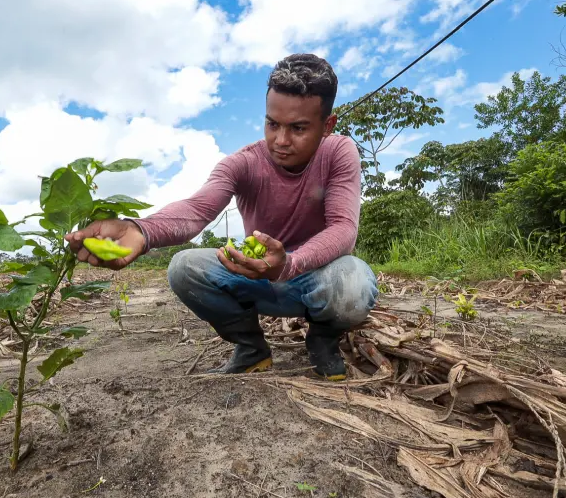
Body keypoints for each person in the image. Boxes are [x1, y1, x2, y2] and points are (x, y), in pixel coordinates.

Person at [65, 53, 378, 381]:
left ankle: (323, 338)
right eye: (272, 124)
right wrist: (140, 231)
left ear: (328, 125)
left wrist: (289, 264)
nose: (281, 141)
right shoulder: (243, 163)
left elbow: (343, 227)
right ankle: (251, 348)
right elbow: (198, 210)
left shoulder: (338, 151)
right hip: (261, 280)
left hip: (318, 279)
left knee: (354, 284)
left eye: (298, 128)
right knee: (184, 267)